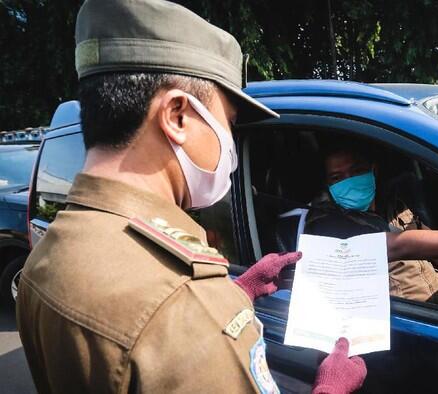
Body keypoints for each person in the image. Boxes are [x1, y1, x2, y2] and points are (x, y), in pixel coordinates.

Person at [16, 1, 366, 393]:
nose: (230, 145)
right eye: (228, 124)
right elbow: (166, 325)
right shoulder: (187, 303)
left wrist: (239, 290)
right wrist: (331, 389)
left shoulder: (49, 255)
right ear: (178, 116)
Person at [292, 143, 438, 305]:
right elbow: (401, 244)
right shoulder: (329, 225)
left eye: (357, 171)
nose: (349, 181)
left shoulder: (391, 203)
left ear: (373, 170)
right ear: (328, 185)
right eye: (337, 178)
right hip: (415, 320)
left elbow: (434, 245)